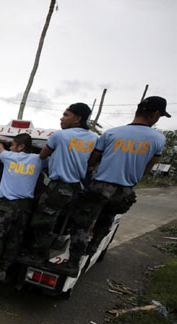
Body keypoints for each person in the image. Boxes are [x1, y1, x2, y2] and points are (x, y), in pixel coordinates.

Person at [60, 96, 170, 277]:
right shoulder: (158, 139)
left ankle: (72, 263)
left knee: (82, 224)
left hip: (100, 186)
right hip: (125, 189)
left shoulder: (111, 134)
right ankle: (93, 247)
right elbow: (148, 167)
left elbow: (93, 160)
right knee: (107, 218)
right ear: (155, 114)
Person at [24, 103, 99, 265]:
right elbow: (92, 163)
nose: (61, 118)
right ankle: (73, 260)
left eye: (66, 115)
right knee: (74, 224)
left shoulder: (60, 135)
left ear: (78, 118)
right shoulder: (94, 138)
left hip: (58, 186)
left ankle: (39, 256)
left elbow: (43, 156)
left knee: (43, 221)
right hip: (77, 187)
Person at [0, 133, 47, 281]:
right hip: (24, 207)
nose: (10, 147)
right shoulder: (38, 160)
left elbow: (0, 146)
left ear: (21, 146)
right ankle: (3, 270)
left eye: (12, 145)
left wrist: (2, 140)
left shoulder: (8, 157)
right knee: (14, 238)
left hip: (6, 205)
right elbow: (49, 154)